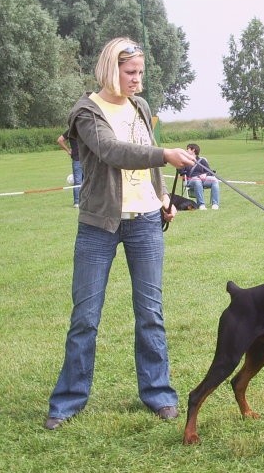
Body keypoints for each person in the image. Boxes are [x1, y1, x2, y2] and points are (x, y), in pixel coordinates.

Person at [44, 37, 196, 430]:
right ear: (111, 68)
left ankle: (158, 394)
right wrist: (165, 154)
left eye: (141, 73)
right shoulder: (86, 112)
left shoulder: (141, 107)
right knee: (86, 317)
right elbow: (112, 151)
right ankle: (68, 400)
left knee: (150, 314)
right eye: (131, 73)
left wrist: (163, 196)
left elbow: (146, 155)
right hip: (99, 225)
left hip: (145, 221)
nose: (138, 81)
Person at [178, 143, 220, 210]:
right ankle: (201, 205)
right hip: (190, 180)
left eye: (188, 149)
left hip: (203, 179)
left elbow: (210, 172)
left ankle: (215, 204)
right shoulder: (185, 160)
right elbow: (180, 171)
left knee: (215, 180)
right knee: (197, 181)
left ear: (193, 150)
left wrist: (205, 174)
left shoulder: (202, 160)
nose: (186, 150)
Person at [57, 130, 83, 208]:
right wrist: (68, 150)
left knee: (83, 181)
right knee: (78, 181)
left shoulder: (84, 128)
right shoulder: (71, 131)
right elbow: (60, 140)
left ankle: (82, 202)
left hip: (86, 160)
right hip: (78, 160)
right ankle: (77, 202)